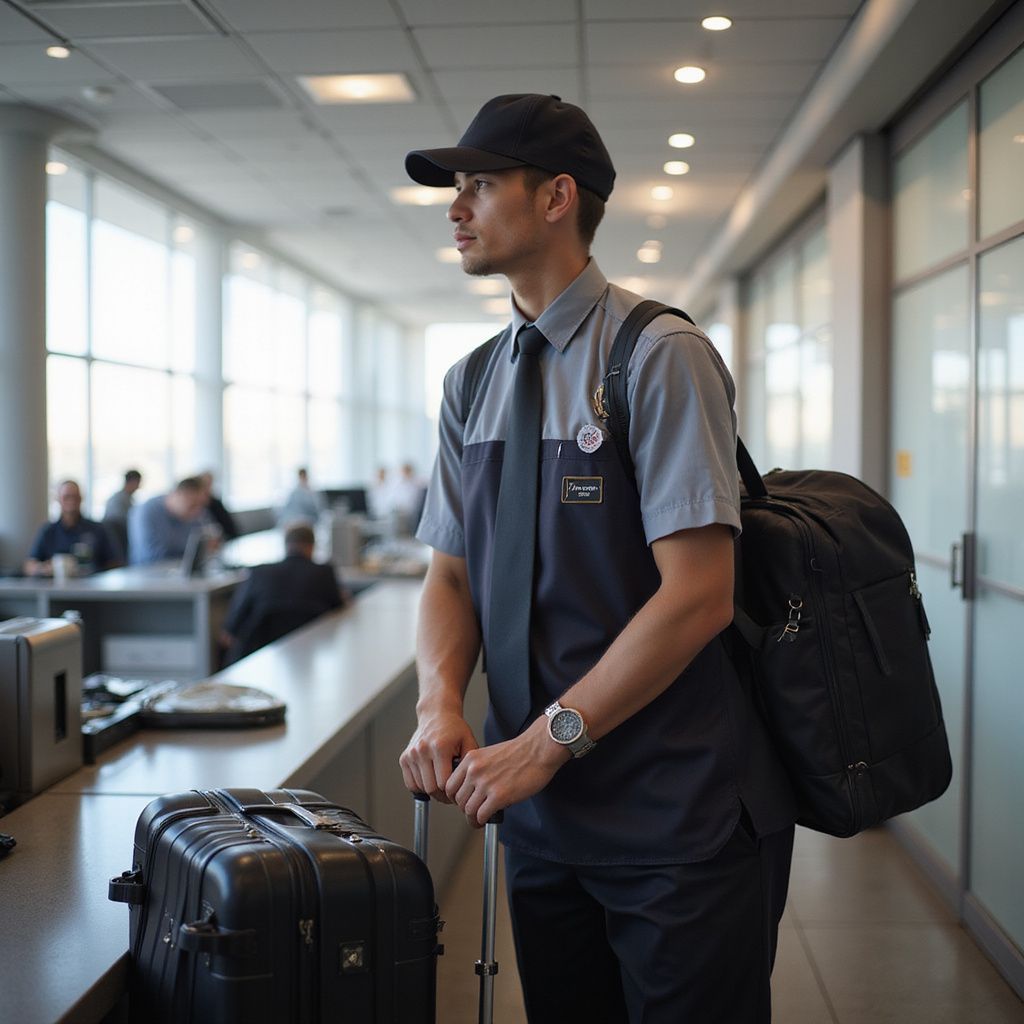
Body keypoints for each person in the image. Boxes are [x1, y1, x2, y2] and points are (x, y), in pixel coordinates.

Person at [398, 94, 797, 1023]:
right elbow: (450, 573)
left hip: (678, 816)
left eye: (480, 185)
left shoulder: (656, 354)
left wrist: (545, 744)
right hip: (540, 817)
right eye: (456, 189)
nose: (456, 209)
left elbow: (698, 596)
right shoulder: (472, 382)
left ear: (556, 199)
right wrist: (439, 703)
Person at [219, 523, 346, 665]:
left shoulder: (259, 572)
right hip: (314, 650)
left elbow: (230, 630)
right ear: (312, 547)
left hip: (261, 656)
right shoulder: (324, 572)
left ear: (286, 546)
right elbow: (340, 609)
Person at [24, 479, 121, 576]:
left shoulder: (98, 529)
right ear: (58, 499)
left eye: (75, 497)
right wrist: (45, 569)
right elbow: (30, 565)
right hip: (56, 588)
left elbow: (114, 562)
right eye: (67, 497)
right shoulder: (48, 531)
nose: (71, 501)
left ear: (81, 499)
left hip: (90, 586)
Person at [129, 476, 209, 565]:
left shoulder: (192, 515)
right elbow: (151, 555)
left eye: (201, 505)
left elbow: (196, 549)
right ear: (177, 495)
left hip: (176, 571)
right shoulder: (146, 511)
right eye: (193, 505)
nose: (197, 511)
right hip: (148, 571)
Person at [102, 468, 142, 560]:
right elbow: (116, 523)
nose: (139, 486)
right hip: (117, 542)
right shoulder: (118, 499)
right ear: (133, 482)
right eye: (138, 483)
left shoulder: (128, 499)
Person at [198, 471, 239, 541]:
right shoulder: (196, 506)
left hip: (223, 540)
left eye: (209, 484)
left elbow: (231, 528)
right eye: (204, 484)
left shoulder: (216, 503)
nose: (207, 488)